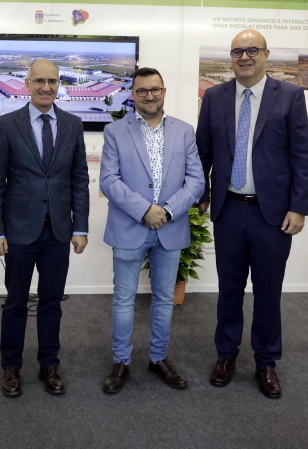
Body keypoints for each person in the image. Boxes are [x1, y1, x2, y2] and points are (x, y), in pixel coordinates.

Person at [196, 29, 308, 399]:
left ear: (265, 54)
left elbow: (302, 156)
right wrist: (202, 194)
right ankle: (226, 355)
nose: (244, 57)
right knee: (228, 289)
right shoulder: (214, 97)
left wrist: (299, 207)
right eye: (237, 51)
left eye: (251, 50)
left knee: (268, 291)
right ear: (231, 57)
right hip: (229, 210)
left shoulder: (290, 96)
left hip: (273, 215)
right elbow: (202, 152)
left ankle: (266, 362)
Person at [0, 59, 90, 397]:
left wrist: (80, 227)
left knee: (51, 302)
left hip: (58, 231)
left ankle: (49, 365)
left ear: (60, 85)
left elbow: (79, 180)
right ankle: (11, 367)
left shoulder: (73, 125)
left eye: (53, 82)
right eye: (40, 81)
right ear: (27, 84)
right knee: (16, 302)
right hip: (18, 230)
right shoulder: (7, 124)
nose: (47, 87)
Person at [99, 67, 204, 393]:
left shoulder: (184, 131)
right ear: (133, 94)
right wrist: (145, 210)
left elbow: (196, 180)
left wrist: (167, 211)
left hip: (170, 228)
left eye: (155, 89)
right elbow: (109, 180)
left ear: (164, 91)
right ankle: (121, 360)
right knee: (124, 299)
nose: (149, 95)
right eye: (142, 90)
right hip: (130, 227)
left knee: (163, 298)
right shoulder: (115, 131)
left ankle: (158, 358)